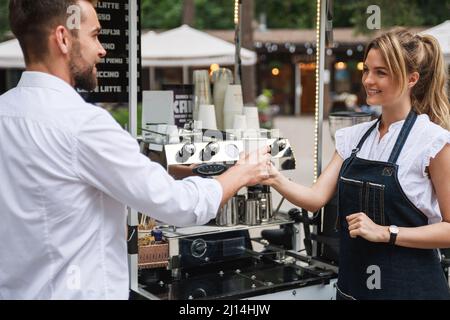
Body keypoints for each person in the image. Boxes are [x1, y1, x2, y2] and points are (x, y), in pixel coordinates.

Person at [0, 0, 271, 299]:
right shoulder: (83, 124)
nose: (102, 49)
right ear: (63, 38)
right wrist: (242, 172)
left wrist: (164, 167)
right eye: (94, 35)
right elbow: (179, 205)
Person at [265, 28, 450, 300]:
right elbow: (315, 199)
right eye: (366, 70)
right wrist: (272, 176)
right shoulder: (354, 138)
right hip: (352, 290)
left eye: (381, 72)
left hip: (412, 289)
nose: (367, 80)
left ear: (412, 79)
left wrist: (387, 232)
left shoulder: (433, 142)